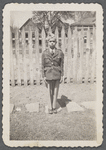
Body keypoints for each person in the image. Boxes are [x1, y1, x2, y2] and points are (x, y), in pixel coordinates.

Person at [42, 33, 64, 114]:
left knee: (55, 91)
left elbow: (62, 64)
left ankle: (54, 107)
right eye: (50, 41)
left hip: (57, 74)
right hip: (48, 74)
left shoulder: (60, 52)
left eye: (53, 41)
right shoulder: (44, 53)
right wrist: (43, 76)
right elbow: (42, 65)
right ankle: (49, 107)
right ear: (48, 42)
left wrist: (62, 75)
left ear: (56, 43)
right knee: (49, 92)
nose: (52, 43)